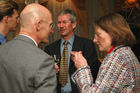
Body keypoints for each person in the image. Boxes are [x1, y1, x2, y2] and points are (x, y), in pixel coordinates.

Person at [70, 13, 140, 93]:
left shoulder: (117, 58)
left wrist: (82, 67)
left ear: (113, 34)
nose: (94, 40)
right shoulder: (126, 52)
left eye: (98, 34)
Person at [0, 3, 56, 93]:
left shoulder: (2, 50)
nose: (52, 31)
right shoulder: (44, 61)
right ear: (38, 25)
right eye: (51, 25)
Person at [45, 9, 101, 93]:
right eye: (59, 22)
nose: (61, 26)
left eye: (64, 22)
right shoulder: (50, 48)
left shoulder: (87, 44)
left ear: (74, 24)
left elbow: (94, 71)